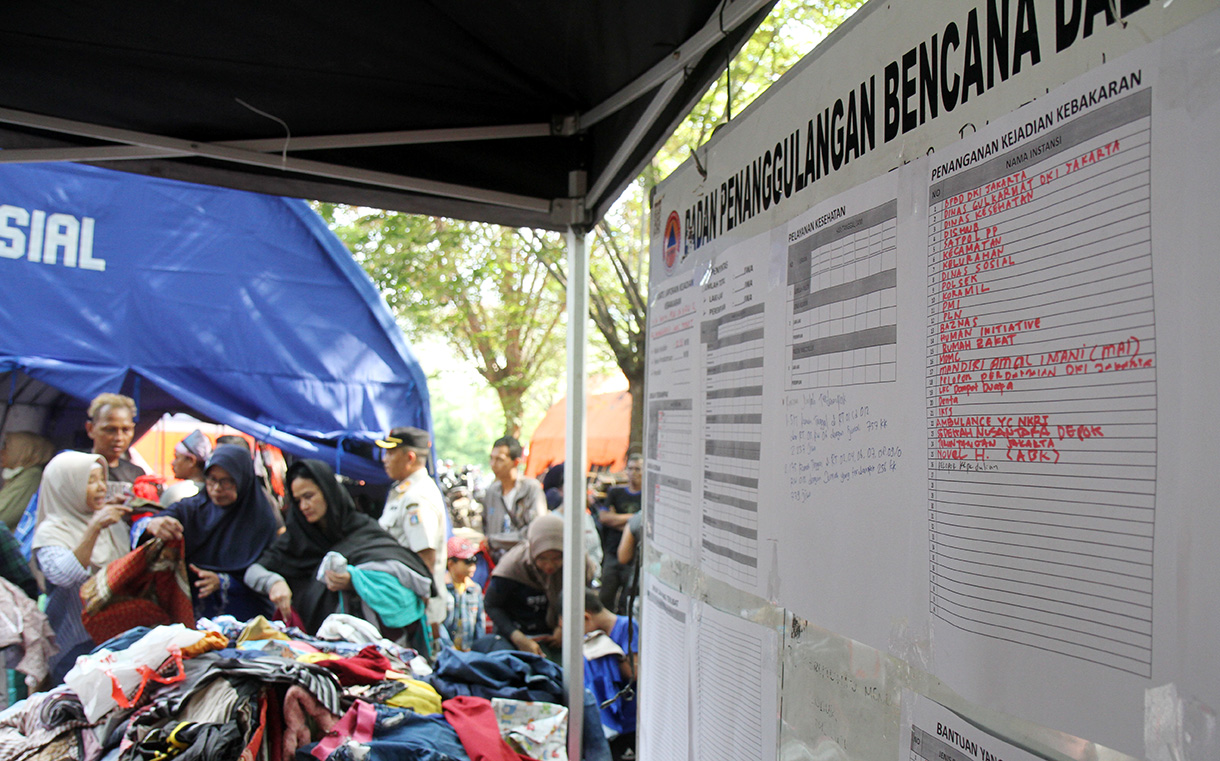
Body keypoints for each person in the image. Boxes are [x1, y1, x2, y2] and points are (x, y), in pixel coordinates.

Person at [248, 459, 435, 643]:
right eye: (298, 501)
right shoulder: (295, 540)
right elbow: (254, 571)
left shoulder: (362, 529)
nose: (304, 506)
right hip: (311, 644)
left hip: (367, 642)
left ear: (327, 492)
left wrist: (356, 580)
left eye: (309, 496)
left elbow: (405, 569)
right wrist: (274, 582)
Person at [142, 444, 279, 620]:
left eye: (227, 481)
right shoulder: (193, 509)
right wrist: (154, 524)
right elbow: (154, 522)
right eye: (212, 479)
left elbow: (266, 570)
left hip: (244, 613)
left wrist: (225, 583)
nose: (216, 488)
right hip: (191, 613)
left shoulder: (260, 518)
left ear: (242, 480)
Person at [31, 451, 132, 683]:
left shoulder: (109, 521)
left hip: (116, 637)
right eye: (90, 481)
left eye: (101, 479)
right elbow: (64, 575)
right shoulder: (52, 531)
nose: (100, 487)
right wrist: (94, 528)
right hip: (73, 644)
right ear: (66, 487)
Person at [375, 426, 448, 644]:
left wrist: (419, 609)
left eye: (390, 453)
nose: (385, 459)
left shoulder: (417, 498)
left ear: (409, 457)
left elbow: (425, 558)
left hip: (416, 610)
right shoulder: (402, 492)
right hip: (403, 605)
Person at [485, 513, 592, 657]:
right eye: (542, 558)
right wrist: (518, 637)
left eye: (557, 558)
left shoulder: (577, 562)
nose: (549, 566)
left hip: (557, 638)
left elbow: (582, 599)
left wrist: (564, 626)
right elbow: (492, 604)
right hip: (516, 636)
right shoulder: (513, 567)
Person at [579, 590, 639, 752]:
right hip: (608, 719)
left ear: (586, 617)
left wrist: (611, 656)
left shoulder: (627, 626)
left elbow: (636, 672)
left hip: (630, 720)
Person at [478, 435, 546, 555]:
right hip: (496, 563)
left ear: (516, 462)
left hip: (523, 562)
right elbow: (485, 526)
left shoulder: (530, 489)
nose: (493, 464)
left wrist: (496, 541)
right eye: (491, 458)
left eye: (499, 459)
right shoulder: (492, 492)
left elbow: (537, 530)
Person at [598, 454, 642, 613]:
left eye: (638, 469)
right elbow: (604, 517)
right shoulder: (615, 493)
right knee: (605, 596)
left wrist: (616, 519)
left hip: (634, 559)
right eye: (630, 468)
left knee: (627, 600)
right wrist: (633, 520)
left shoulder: (646, 496)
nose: (633, 473)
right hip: (612, 553)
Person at [85, 393, 146, 483]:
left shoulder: (136, 475)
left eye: (126, 430)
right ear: (90, 429)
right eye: (110, 430)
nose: (119, 437)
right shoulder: (74, 467)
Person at [0, 430, 55, 530]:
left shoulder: (32, 476)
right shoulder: (18, 475)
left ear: (22, 451)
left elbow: (3, 514)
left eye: (6, 448)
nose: (2, 452)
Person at [442, 536, 486, 651]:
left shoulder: (474, 589)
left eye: (474, 560)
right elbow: (438, 624)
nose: (472, 566)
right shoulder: (441, 588)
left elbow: (479, 625)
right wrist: (449, 648)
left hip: (468, 651)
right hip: (446, 652)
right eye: (467, 561)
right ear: (451, 564)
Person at [160, 429, 212, 507]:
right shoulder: (213, 492)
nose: (172, 463)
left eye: (177, 457)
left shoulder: (175, 492)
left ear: (191, 461)